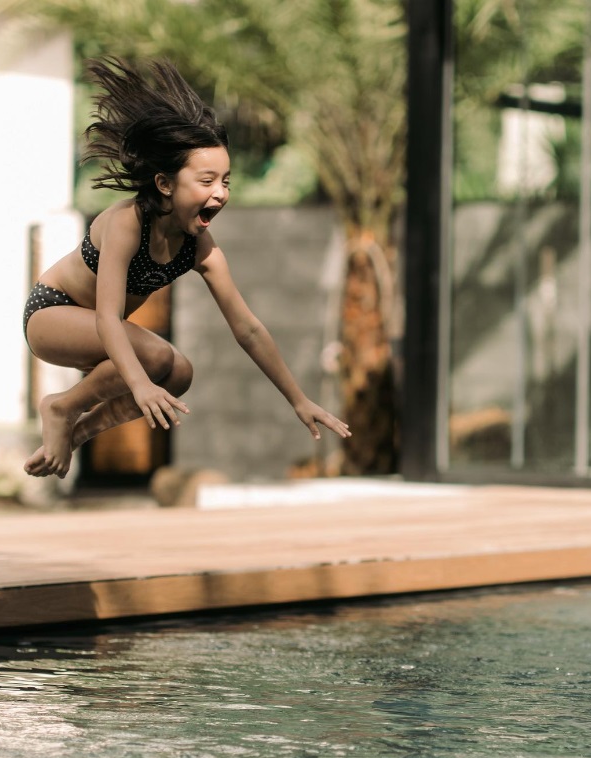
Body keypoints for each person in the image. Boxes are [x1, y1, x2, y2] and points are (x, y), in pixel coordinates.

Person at [23, 56, 350, 479]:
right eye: (207, 180)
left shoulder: (198, 248)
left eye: (226, 181)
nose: (220, 193)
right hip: (52, 313)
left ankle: (78, 429)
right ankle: (62, 406)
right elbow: (107, 316)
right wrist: (139, 383)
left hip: (105, 331)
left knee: (179, 374)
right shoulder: (126, 223)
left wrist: (298, 399)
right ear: (165, 183)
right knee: (156, 357)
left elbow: (248, 328)